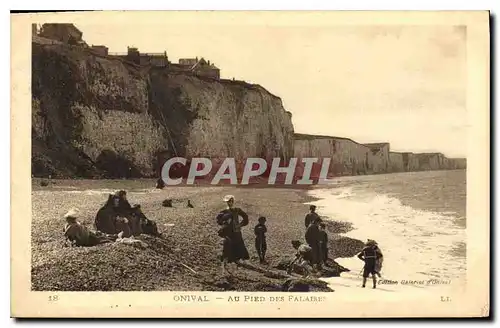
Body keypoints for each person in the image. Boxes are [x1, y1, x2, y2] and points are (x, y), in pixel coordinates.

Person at [216, 195, 250, 275]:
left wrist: (240, 225)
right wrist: (225, 222)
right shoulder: (223, 212)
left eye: (231, 201)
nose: (229, 203)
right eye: (228, 202)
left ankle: (236, 269)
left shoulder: (237, 210)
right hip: (228, 234)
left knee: (239, 251)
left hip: (237, 233)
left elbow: (245, 218)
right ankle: (224, 270)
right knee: (226, 251)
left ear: (233, 202)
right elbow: (219, 221)